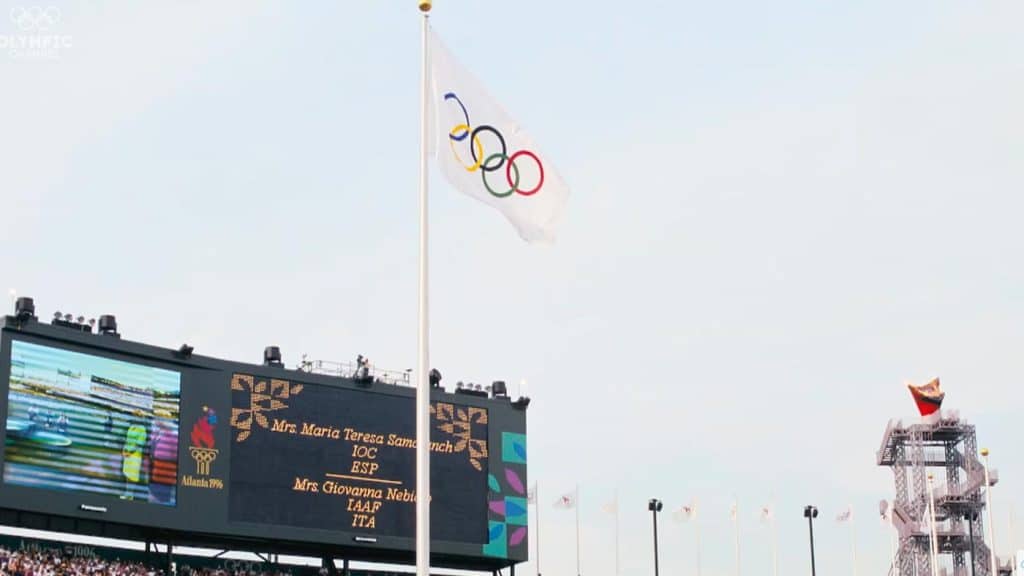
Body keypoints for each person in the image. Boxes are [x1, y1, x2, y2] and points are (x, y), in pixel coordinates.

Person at [121, 419, 148, 500]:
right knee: (127, 474)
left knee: (132, 475)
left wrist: (130, 452)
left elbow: (139, 443)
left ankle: (130, 495)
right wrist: (124, 450)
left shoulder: (142, 429)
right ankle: (127, 494)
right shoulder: (131, 427)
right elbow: (127, 439)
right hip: (127, 454)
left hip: (135, 455)